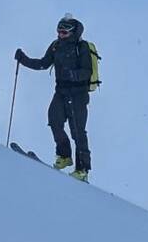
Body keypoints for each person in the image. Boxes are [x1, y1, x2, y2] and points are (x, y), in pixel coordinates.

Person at [14, 14, 93, 181]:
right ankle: (64, 156)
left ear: (72, 32)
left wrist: (72, 74)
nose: (60, 35)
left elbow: (87, 71)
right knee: (54, 120)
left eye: (63, 32)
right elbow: (43, 63)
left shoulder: (82, 47)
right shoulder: (56, 46)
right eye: (58, 32)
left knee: (78, 131)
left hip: (78, 94)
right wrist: (24, 59)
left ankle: (82, 169)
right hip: (61, 92)